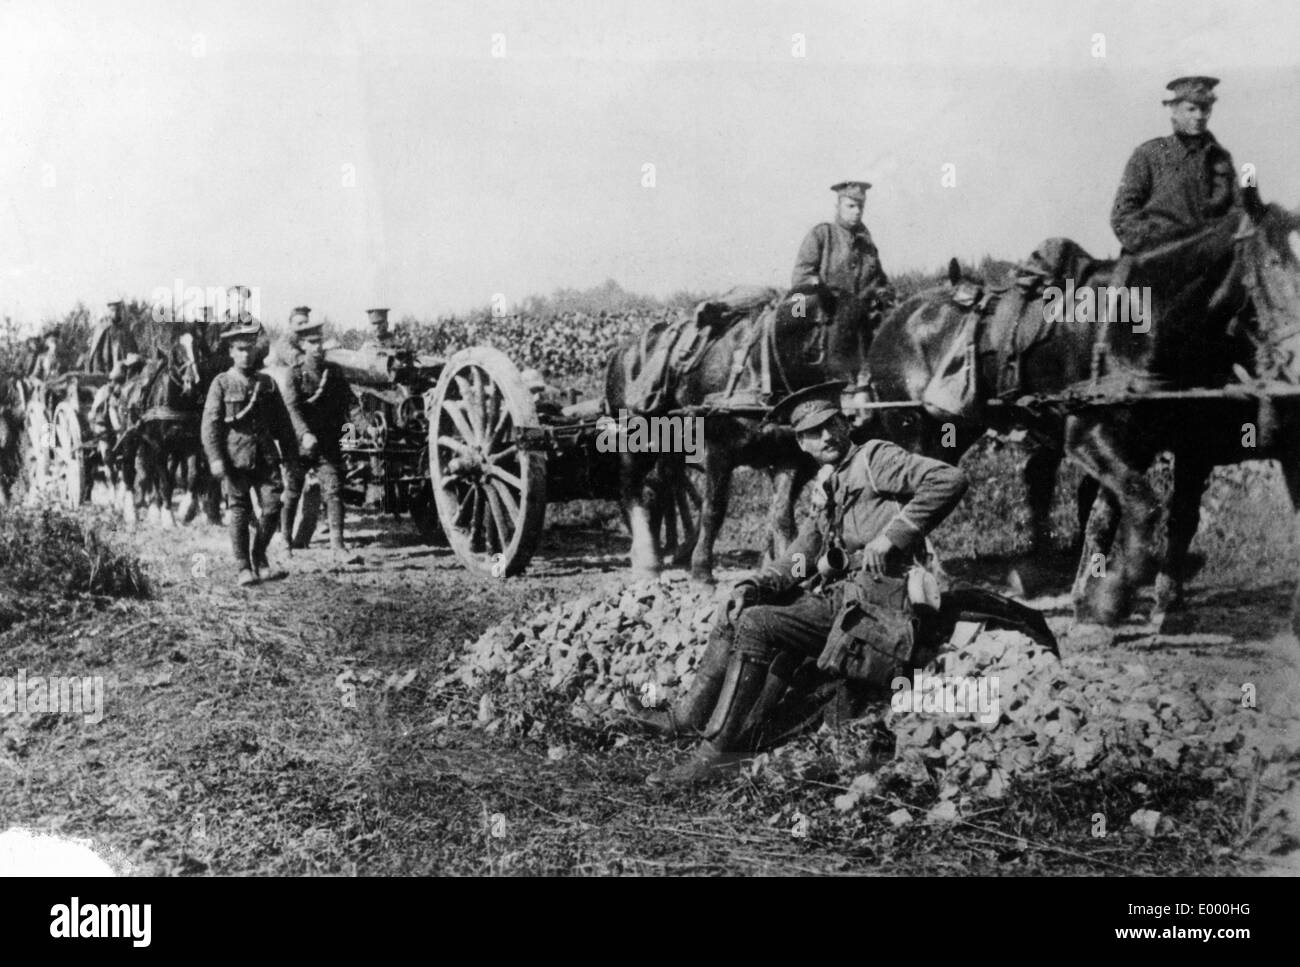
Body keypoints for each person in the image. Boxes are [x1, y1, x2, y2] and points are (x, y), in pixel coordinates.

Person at [628, 381, 969, 785]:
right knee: (737, 607)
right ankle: (686, 718)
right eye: (811, 432)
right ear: (802, 444)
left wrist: (892, 536)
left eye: (831, 424)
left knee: (757, 623)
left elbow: (949, 479)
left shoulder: (876, 458)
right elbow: (802, 551)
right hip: (843, 604)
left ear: (845, 424)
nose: (825, 436)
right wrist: (757, 583)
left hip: (878, 608)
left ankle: (714, 756)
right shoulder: (830, 483)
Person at [201, 319, 305, 587]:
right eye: (240, 349)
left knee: (272, 507)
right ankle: (243, 567)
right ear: (231, 352)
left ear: (256, 351)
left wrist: (292, 458)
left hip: (266, 456)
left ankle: (260, 557)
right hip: (235, 458)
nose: (246, 354)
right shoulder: (221, 383)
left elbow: (283, 423)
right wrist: (215, 458)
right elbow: (210, 425)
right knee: (239, 510)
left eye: (249, 349)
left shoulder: (267, 383)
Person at [1110, 76, 1239, 255]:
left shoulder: (1221, 158)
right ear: (1173, 110)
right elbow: (1122, 216)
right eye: (1191, 109)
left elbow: (1237, 211)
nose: (1199, 116)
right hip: (1158, 260)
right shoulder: (1149, 154)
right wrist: (1159, 244)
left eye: (1205, 109)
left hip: (1210, 261)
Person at [280, 306, 353, 558]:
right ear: (302, 345)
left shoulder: (334, 373)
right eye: (312, 343)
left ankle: (338, 546)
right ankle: (285, 543)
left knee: (334, 491)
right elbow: (292, 408)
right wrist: (304, 434)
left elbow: (349, 406)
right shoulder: (295, 374)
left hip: (328, 444)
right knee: (292, 492)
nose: (318, 347)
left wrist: (355, 432)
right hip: (301, 445)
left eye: (319, 341)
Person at [791, 181, 893, 305]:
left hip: (862, 316)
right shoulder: (822, 235)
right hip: (826, 312)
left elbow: (881, 281)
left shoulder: (867, 244)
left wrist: (883, 293)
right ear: (838, 207)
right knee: (796, 314)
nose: (857, 211)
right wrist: (824, 293)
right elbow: (801, 277)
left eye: (861, 206)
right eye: (851, 206)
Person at [84, 300, 140, 375]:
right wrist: (97, 368)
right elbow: (96, 348)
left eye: (117, 310)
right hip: (106, 366)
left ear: (120, 310)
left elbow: (132, 348)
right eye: (112, 310)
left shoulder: (125, 328)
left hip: (122, 366)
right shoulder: (103, 326)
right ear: (109, 311)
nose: (115, 313)